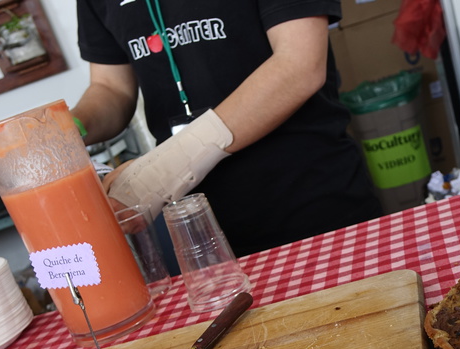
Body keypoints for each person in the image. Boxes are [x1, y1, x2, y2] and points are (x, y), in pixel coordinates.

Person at [72, 0, 383, 257]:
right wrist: (65, 129)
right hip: (199, 230)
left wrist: (158, 173)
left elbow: (299, 65)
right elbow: (111, 87)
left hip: (309, 199)